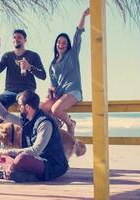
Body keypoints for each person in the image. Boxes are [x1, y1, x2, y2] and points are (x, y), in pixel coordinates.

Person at [0, 84, 68, 183]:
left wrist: (10, 152)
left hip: (51, 165)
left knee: (21, 158)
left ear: (27, 107)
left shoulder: (44, 123)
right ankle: (17, 174)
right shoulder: (27, 120)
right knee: (0, 155)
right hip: (35, 159)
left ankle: (5, 173)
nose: (18, 108)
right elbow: (4, 115)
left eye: (20, 105)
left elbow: (36, 150)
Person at [40, 8, 90, 136]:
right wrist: (51, 89)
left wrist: (83, 15)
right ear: (56, 44)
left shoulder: (72, 54)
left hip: (73, 91)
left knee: (56, 109)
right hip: (60, 94)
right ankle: (55, 125)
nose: (61, 44)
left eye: (64, 42)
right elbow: (54, 84)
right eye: (59, 42)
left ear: (68, 45)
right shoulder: (52, 64)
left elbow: (78, 34)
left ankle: (70, 124)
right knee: (42, 107)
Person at [0, 29, 46, 109]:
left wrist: (30, 67)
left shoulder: (33, 55)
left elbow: (43, 76)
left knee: (25, 106)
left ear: (25, 40)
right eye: (14, 37)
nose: (16, 39)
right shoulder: (8, 56)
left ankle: (27, 121)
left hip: (27, 91)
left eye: (19, 37)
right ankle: (6, 121)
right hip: (9, 92)